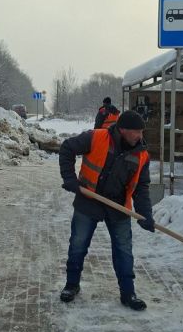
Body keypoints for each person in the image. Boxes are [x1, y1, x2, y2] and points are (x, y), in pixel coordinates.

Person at [58, 110, 155, 310]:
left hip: (118, 206)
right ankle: (71, 285)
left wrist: (146, 214)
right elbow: (67, 148)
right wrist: (69, 178)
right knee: (78, 244)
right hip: (89, 199)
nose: (139, 136)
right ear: (123, 130)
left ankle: (128, 293)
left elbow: (141, 187)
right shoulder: (96, 137)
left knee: (124, 250)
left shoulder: (142, 155)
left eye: (141, 132)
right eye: (136, 132)